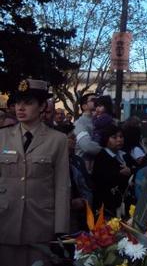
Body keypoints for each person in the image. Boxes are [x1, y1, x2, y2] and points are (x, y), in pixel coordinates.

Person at [0, 79, 70, 265]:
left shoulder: (58, 140)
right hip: (5, 222)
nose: (20, 108)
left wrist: (60, 228)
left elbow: (62, 185)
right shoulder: (2, 137)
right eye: (18, 103)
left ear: (41, 107)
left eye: (28, 103)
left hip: (40, 225)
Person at [91, 125, 135, 217]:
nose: (119, 140)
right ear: (106, 139)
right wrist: (120, 173)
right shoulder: (102, 157)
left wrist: (130, 170)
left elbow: (137, 168)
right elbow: (101, 179)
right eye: (114, 137)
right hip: (107, 205)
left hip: (126, 203)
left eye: (121, 137)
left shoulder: (125, 155)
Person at [74, 92, 101, 172]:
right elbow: (87, 146)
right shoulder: (80, 123)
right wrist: (106, 151)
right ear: (84, 106)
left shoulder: (98, 120)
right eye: (93, 100)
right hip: (84, 169)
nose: (96, 101)